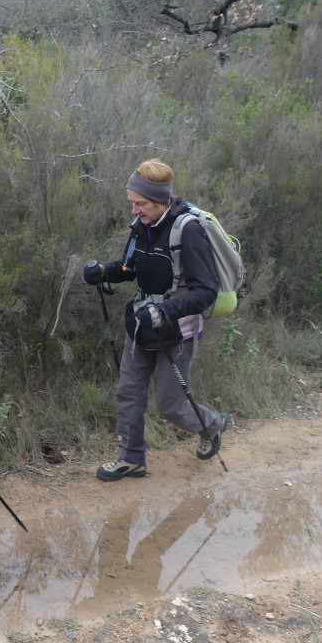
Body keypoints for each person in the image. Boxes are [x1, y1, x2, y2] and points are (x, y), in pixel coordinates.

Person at [83, 159, 232, 481]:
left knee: (170, 405)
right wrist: (105, 272)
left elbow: (205, 291)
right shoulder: (142, 227)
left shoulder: (187, 230)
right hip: (141, 325)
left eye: (141, 203)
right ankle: (132, 458)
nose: (134, 210)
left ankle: (214, 424)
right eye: (132, 203)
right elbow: (130, 268)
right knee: (128, 393)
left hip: (177, 330)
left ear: (161, 201)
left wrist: (164, 311)